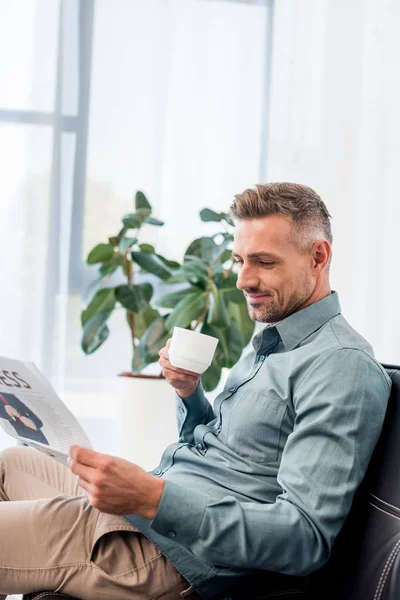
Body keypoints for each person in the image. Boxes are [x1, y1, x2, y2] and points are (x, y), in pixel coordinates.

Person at [0, 183, 391, 600]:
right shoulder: (273, 337)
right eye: (239, 260)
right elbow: (220, 449)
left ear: (318, 257)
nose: (243, 279)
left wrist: (152, 498)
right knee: (13, 464)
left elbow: (304, 538)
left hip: (168, 553)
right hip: (149, 511)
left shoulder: (340, 366)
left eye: (263, 261)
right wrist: (190, 394)